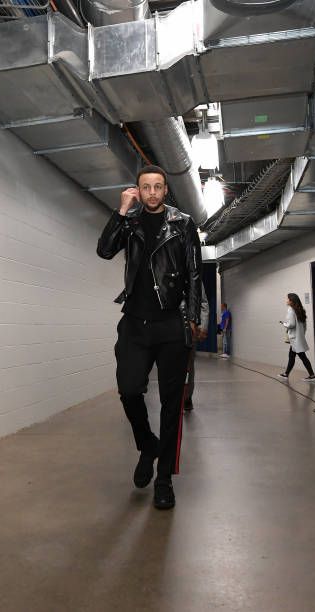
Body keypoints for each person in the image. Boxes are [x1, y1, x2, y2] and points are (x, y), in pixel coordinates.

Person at [97, 164, 202, 510]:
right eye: (146, 187)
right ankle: (146, 444)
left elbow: (193, 273)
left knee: (173, 404)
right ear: (138, 192)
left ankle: (164, 479)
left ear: (165, 190)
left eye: (158, 186)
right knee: (128, 389)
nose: (153, 192)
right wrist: (121, 211)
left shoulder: (183, 223)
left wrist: (192, 319)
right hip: (135, 323)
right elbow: (104, 250)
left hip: (171, 323)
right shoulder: (130, 222)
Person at [278, 293, 315, 381]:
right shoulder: (300, 310)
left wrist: (284, 324)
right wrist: (301, 334)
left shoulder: (291, 310)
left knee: (302, 356)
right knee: (292, 356)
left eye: (287, 299)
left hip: (295, 339)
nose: (286, 300)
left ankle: (312, 375)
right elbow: (304, 326)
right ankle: (286, 374)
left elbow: (291, 324)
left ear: (291, 301)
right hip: (298, 338)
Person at [184, 282, 209, 411]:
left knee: (189, 366)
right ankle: (173, 397)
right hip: (168, 327)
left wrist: (203, 326)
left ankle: (187, 397)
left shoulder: (194, 276)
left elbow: (203, 302)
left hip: (189, 328)